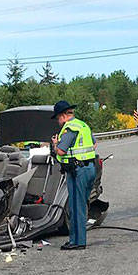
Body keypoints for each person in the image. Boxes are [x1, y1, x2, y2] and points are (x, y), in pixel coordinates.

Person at [50, 100, 97, 251]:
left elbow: (61, 151)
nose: (58, 121)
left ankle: (77, 242)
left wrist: (55, 144)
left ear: (63, 115)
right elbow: (94, 144)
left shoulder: (69, 129)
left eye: (58, 118)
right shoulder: (83, 125)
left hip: (78, 172)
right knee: (81, 204)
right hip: (89, 168)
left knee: (76, 207)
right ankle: (78, 239)